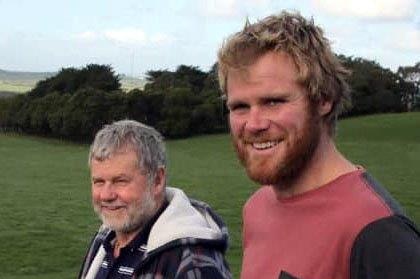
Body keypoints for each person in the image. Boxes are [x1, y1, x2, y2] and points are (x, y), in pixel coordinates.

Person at [217, 11, 420, 279]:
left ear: (324, 99)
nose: (253, 124)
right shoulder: (256, 209)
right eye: (240, 106)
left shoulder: (378, 234)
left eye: (273, 101)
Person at [78, 120, 231, 279]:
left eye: (120, 181)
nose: (106, 195)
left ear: (157, 180)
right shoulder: (105, 240)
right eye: (99, 182)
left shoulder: (192, 263)